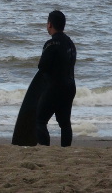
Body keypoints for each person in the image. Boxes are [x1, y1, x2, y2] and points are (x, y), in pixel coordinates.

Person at [36, 10, 77, 147]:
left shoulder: (51, 44)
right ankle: (66, 150)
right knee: (65, 123)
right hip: (70, 87)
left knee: (40, 121)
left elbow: (42, 67)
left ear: (50, 24)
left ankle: (45, 148)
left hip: (54, 88)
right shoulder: (70, 43)